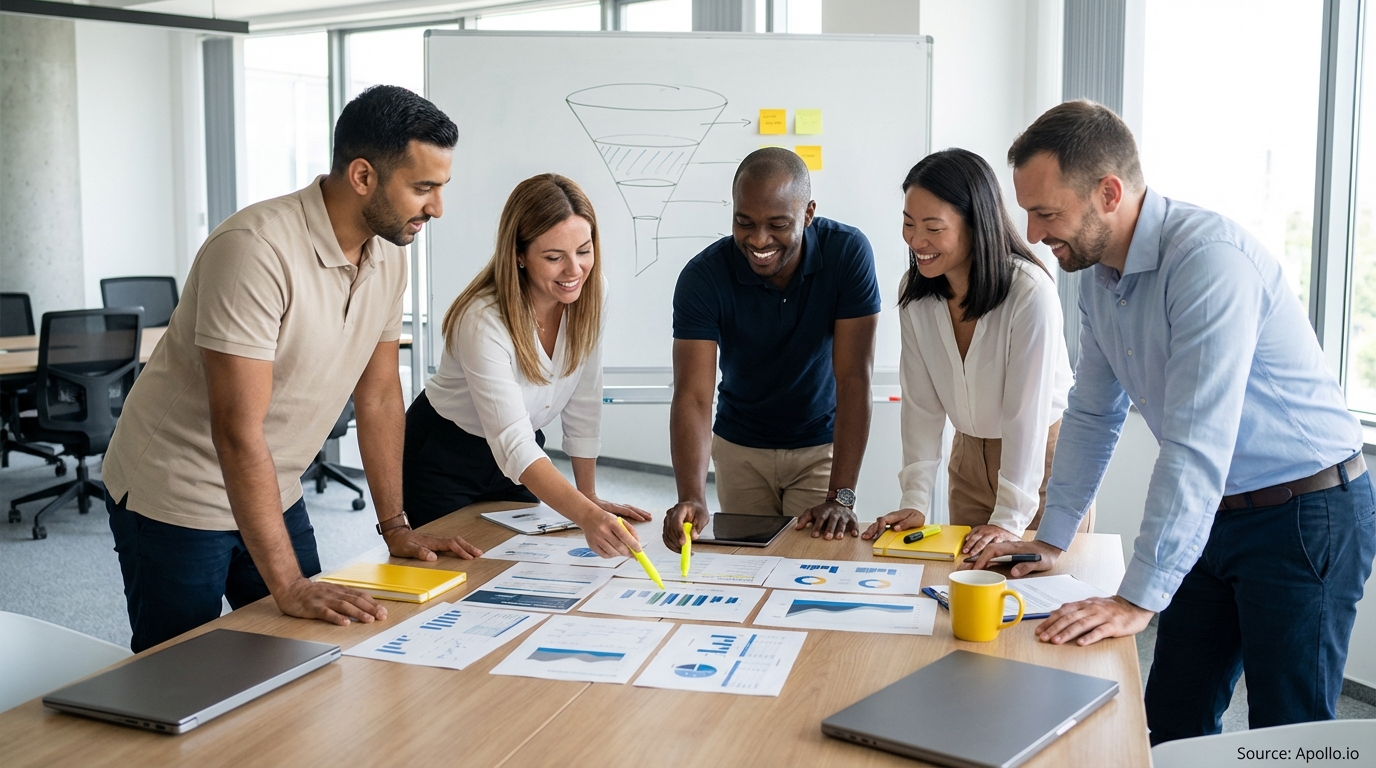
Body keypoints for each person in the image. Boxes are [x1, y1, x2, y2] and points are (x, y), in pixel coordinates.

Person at [965, 100, 1376, 743]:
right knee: (1174, 718)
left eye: (1046, 212)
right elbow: (1093, 413)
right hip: (1215, 514)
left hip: (1306, 512)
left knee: (1289, 730)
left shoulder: (1208, 261)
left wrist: (1136, 598)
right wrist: (1052, 536)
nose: (1034, 232)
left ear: (1108, 192)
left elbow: (1194, 444)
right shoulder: (1100, 277)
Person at [102, 85, 476, 653]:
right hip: (177, 494)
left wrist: (395, 526)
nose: (436, 208)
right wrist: (289, 584)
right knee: (177, 676)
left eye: (440, 188)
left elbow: (378, 396)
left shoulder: (388, 254)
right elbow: (236, 428)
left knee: (308, 650)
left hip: (273, 486)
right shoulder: (255, 249)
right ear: (362, 176)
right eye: (423, 188)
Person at [404, 174, 647, 558]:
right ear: (519, 255)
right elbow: (511, 440)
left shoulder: (590, 294)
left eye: (584, 251)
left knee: (519, 561)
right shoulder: (482, 318)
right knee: (457, 573)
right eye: (554, 257)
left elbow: (584, 399)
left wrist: (589, 497)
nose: (574, 271)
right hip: (443, 454)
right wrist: (586, 516)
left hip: (520, 455)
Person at [860, 148, 1078, 556]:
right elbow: (922, 406)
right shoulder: (917, 293)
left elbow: (1025, 415)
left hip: (1042, 463)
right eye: (908, 224)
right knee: (964, 582)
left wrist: (1009, 518)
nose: (916, 241)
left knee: (1040, 597)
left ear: (976, 224)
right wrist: (914, 501)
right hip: (969, 458)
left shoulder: (1028, 293)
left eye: (932, 227)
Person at [663, 147, 881, 551]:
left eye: (778, 224)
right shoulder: (702, 276)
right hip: (740, 448)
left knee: (814, 564)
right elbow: (693, 396)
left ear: (808, 213)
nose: (759, 240)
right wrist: (691, 494)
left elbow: (854, 380)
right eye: (744, 223)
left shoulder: (847, 254)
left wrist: (842, 496)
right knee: (745, 569)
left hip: (819, 445)